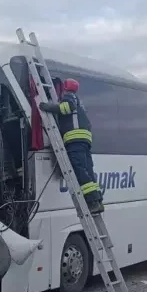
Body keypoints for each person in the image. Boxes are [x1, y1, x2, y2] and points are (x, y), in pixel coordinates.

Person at [39, 78, 103, 214]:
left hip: (75, 139)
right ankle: (98, 200)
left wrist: (47, 107)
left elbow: (66, 107)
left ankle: (91, 201)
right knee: (88, 170)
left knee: (78, 169)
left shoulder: (69, 97)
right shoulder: (79, 100)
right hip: (84, 139)